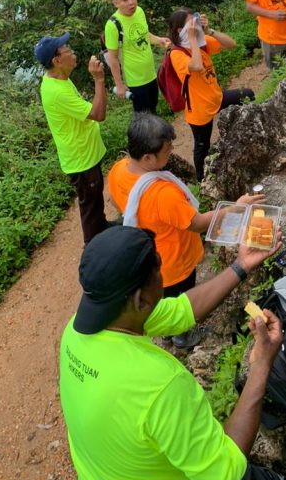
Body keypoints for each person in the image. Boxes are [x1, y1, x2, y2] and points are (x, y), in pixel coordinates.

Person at [59, 225, 286, 480]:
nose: (162, 273)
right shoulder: (160, 385)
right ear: (140, 299)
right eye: (158, 267)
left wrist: (240, 265)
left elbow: (181, 310)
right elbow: (227, 474)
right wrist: (261, 364)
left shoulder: (78, 329)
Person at [108, 112, 264, 348]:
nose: (171, 153)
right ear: (148, 157)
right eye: (167, 150)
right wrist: (235, 208)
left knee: (161, 299)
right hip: (175, 261)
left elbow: (117, 202)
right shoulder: (162, 194)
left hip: (153, 254)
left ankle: (168, 333)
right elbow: (198, 223)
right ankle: (181, 337)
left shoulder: (119, 170)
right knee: (179, 299)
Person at [34, 33, 108, 244]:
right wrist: (99, 79)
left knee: (95, 200)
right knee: (90, 206)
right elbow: (98, 114)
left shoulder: (59, 78)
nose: (72, 51)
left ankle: (102, 229)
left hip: (86, 153)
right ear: (57, 61)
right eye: (67, 49)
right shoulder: (58, 92)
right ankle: (94, 248)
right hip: (81, 158)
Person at [167, 8, 255, 181]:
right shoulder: (176, 54)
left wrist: (209, 31)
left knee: (248, 95)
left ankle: (240, 134)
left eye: (196, 20)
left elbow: (231, 44)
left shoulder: (202, 42)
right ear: (179, 30)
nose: (195, 25)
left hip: (217, 97)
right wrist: (192, 39)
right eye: (191, 23)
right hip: (199, 110)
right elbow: (197, 66)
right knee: (202, 146)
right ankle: (201, 180)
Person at [104, 0, 170, 113]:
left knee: (153, 110)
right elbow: (112, 58)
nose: (131, 2)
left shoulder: (139, 11)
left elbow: (144, 34)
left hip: (151, 74)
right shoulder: (112, 25)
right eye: (125, 0)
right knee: (144, 119)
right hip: (136, 81)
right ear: (116, 3)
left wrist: (159, 40)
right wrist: (119, 85)